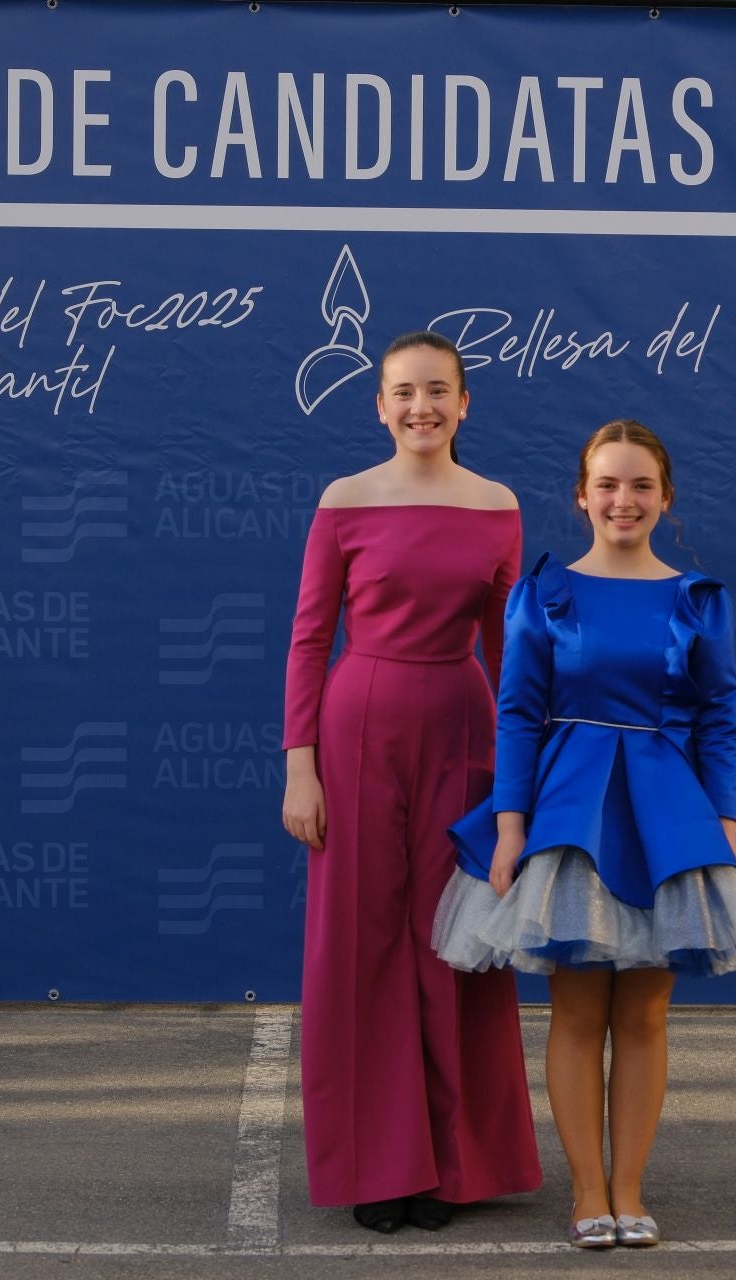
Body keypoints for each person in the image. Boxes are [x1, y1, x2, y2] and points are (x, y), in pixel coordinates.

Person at [431, 419, 736, 1248]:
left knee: (648, 1013)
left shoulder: (697, 599)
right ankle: (587, 1193)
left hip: (672, 811)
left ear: (666, 498)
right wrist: (510, 830)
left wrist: (723, 824)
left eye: (640, 486)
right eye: (608, 485)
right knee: (578, 1011)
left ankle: (630, 1189)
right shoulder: (543, 595)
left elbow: (722, 716)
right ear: (581, 495)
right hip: (571, 811)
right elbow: (516, 714)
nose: (624, 500)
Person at [282, 331, 541, 1233]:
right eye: (403, 392)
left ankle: (452, 1164)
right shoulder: (345, 500)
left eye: (438, 390)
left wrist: (521, 783)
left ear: (465, 404)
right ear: (379, 406)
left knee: (455, 942)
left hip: (463, 729)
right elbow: (311, 637)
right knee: (360, 947)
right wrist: (300, 769)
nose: (420, 406)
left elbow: (512, 654)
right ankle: (375, 1165)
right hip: (356, 731)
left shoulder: (498, 506)